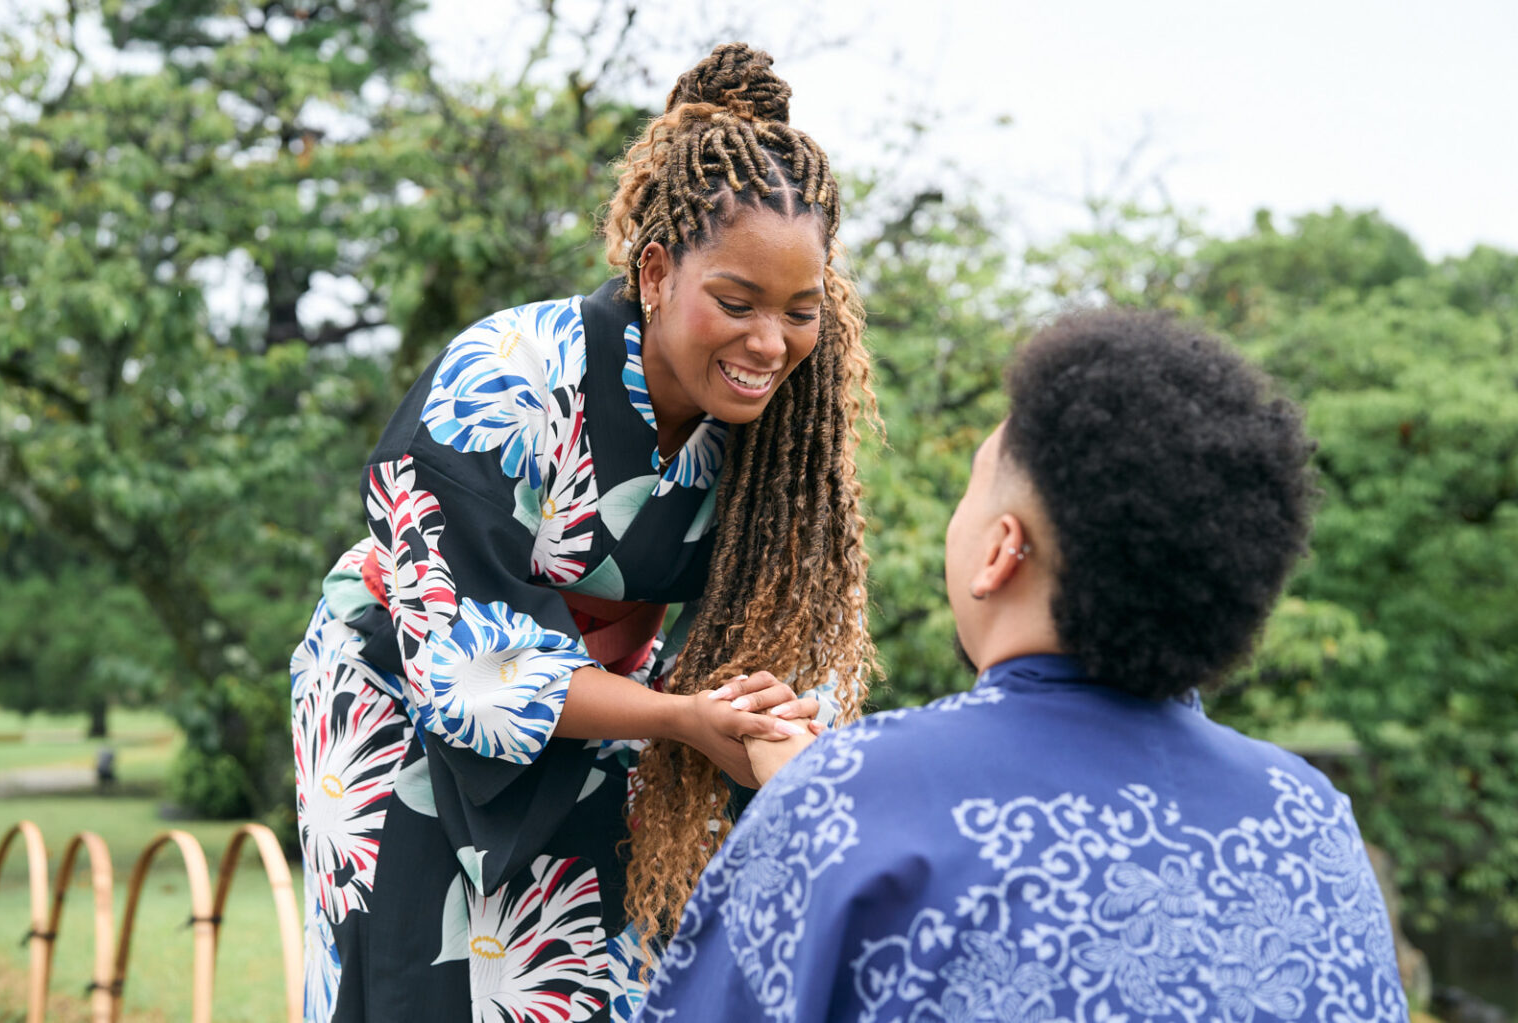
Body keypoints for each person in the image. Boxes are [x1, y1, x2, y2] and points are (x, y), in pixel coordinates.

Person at [290, 43, 877, 1023]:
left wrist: (772, 737)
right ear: (655, 272)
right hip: (408, 684)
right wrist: (683, 719)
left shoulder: (785, 434)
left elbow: (789, 636)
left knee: (589, 973)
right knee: (413, 973)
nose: (770, 344)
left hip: (625, 702)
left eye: (800, 311)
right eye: (735, 303)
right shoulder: (507, 380)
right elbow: (461, 667)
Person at [640, 309, 1410, 1022]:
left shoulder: (846, 798)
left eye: (976, 482)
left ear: (1002, 550)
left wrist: (822, 802)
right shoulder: (1309, 818)